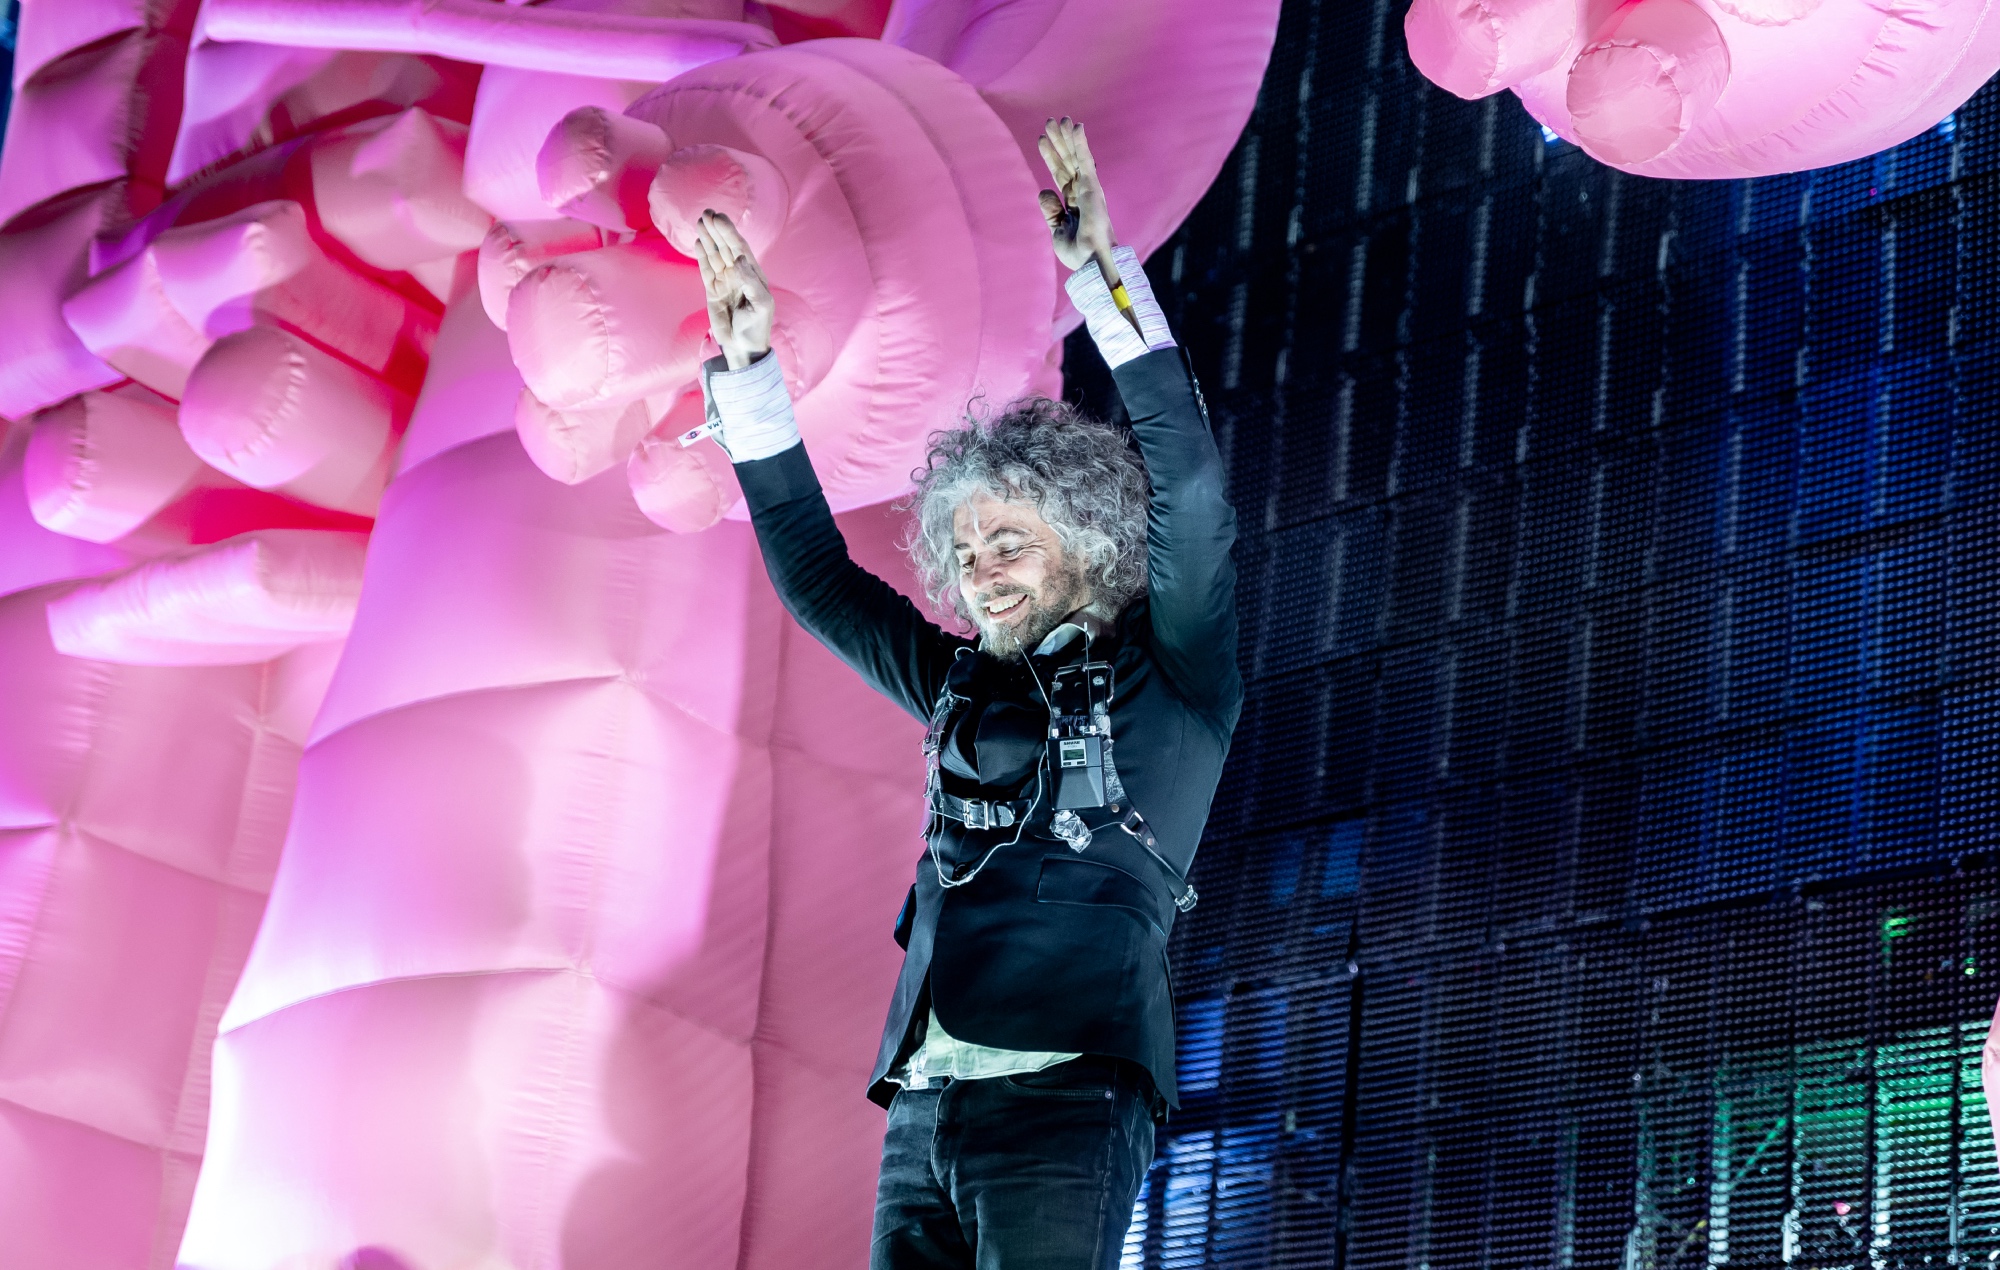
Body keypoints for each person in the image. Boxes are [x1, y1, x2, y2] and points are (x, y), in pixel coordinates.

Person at [691, 118, 1242, 1270]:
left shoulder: (1172, 673)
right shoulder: (958, 682)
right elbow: (815, 579)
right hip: (925, 1099)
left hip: (1066, 1090)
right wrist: (750, 373)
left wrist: (1100, 276)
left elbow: (1187, 484)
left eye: (1010, 536)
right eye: (966, 544)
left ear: (1086, 542)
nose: (981, 562)